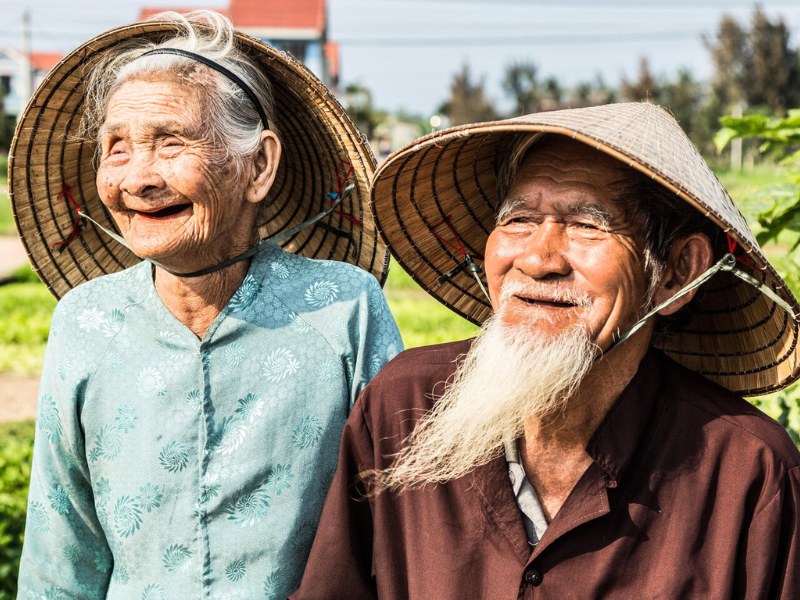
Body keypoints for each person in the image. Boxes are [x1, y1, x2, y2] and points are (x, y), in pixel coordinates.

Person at [292, 103, 800, 599]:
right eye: (519, 219)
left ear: (677, 272)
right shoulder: (404, 405)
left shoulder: (748, 475)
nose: (537, 259)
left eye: (586, 224)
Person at [12, 11, 402, 599]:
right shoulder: (85, 320)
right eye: (116, 148)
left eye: (171, 142)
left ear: (259, 165)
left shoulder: (344, 308)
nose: (137, 178)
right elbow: (59, 553)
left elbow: (400, 530)